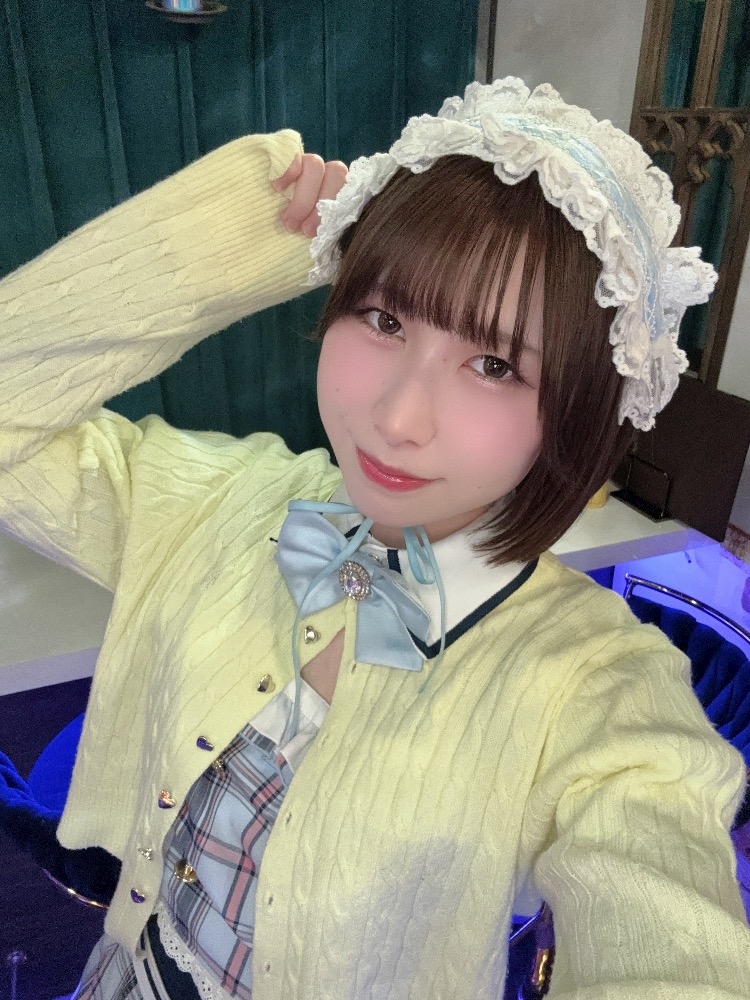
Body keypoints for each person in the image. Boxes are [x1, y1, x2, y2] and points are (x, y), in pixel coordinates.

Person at [0, 77, 748, 1000]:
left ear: (579, 413)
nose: (396, 418)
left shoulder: (597, 686)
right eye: (384, 319)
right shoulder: (226, 499)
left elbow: (669, 937)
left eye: (493, 364)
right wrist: (222, 244)